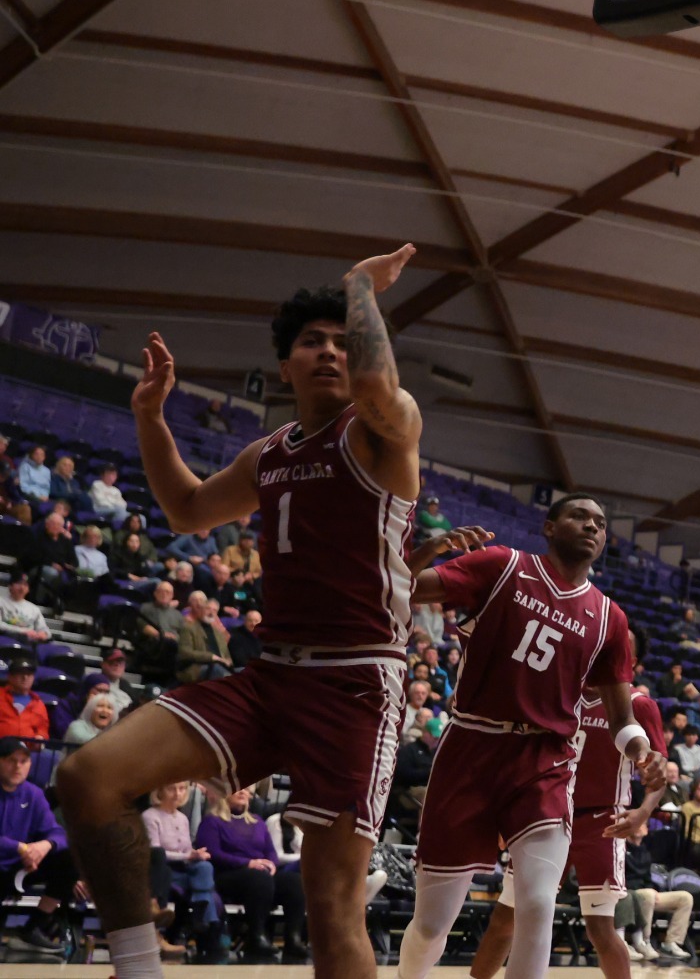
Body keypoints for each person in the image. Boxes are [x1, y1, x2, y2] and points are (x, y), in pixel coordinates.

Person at [58, 247, 430, 979]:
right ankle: (137, 965)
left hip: (355, 684)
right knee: (87, 777)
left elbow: (378, 382)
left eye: (340, 337)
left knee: (331, 903)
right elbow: (188, 508)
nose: (329, 349)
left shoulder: (384, 430)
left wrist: (359, 286)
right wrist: (149, 416)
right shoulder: (268, 453)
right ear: (284, 367)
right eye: (310, 341)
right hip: (269, 677)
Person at [395, 503, 666, 979]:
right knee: (431, 925)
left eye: (602, 523)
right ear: (548, 527)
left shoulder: (609, 619)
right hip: (471, 747)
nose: (592, 526)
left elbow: (623, 719)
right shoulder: (501, 565)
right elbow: (401, 588)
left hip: (545, 759)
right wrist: (425, 551)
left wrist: (643, 752)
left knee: (537, 903)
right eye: (580, 516)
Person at [467, 672, 672, 979]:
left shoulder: (638, 706)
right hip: (549, 814)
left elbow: (659, 772)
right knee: (506, 916)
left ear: (630, 663)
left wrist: (643, 812)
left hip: (603, 822)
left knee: (600, 927)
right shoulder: (561, 693)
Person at [196, 784, 308, 961]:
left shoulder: (257, 821)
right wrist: (248, 863)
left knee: (293, 882)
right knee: (258, 878)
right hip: (228, 874)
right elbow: (213, 854)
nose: (242, 792)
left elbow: (270, 852)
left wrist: (271, 864)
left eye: (246, 789)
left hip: (259, 876)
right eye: (237, 788)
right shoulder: (212, 821)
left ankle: (293, 939)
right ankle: (256, 936)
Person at [0, 735, 81, 950]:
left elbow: (56, 832)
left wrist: (44, 846)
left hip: (23, 863)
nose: (18, 766)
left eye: (23, 761)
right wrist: (22, 848)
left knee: (69, 858)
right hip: (8, 859)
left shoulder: (34, 794)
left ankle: (33, 927)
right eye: (11, 760)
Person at [145, 781, 220, 959]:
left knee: (205, 866)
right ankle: (203, 918)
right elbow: (155, 854)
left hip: (184, 868)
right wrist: (188, 856)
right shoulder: (150, 816)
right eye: (172, 788)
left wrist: (195, 854)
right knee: (209, 891)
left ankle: (200, 911)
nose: (178, 794)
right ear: (160, 790)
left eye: (182, 789)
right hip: (160, 871)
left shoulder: (182, 818)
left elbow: (186, 850)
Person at [175, 591, 232, 683]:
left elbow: (226, 655)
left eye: (214, 610)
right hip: (195, 668)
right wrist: (212, 657)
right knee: (220, 673)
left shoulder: (217, 632)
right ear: (201, 610)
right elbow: (184, 653)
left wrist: (229, 661)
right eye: (208, 608)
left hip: (219, 667)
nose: (211, 612)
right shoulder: (189, 627)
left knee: (243, 673)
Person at [0, 656, 50, 740]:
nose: (25, 677)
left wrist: (41, 737)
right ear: (10, 677)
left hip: (27, 751)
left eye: (29, 674)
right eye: (21, 673)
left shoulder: (38, 704)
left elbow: (42, 730)